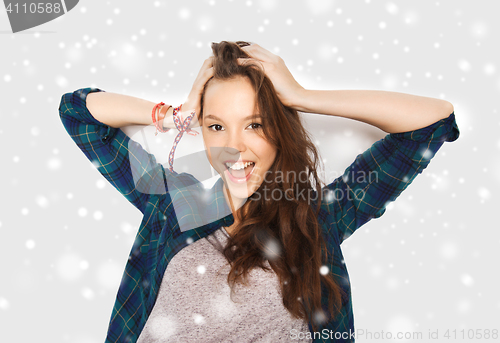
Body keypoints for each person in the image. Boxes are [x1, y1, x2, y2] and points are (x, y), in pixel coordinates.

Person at [58, 41, 460, 343]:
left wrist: (301, 96)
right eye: (217, 126)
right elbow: (77, 113)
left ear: (279, 131)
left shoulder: (319, 220)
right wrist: (174, 114)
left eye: (254, 124)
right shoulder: (173, 205)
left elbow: (431, 123)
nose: (234, 146)